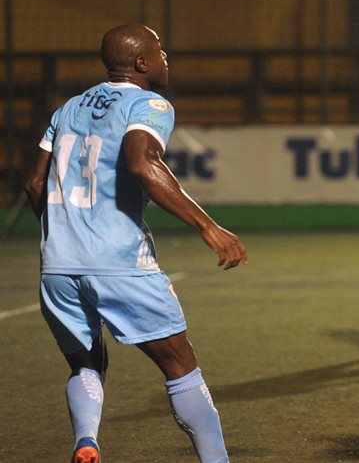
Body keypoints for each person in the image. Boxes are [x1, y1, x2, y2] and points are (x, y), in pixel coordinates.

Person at [22, 24, 247, 463]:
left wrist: (68, 233)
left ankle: (86, 441)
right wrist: (208, 227)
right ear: (142, 63)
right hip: (119, 261)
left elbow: (34, 182)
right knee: (180, 366)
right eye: (161, 52)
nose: (166, 59)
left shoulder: (67, 108)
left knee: (86, 365)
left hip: (57, 265)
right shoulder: (149, 103)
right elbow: (143, 163)